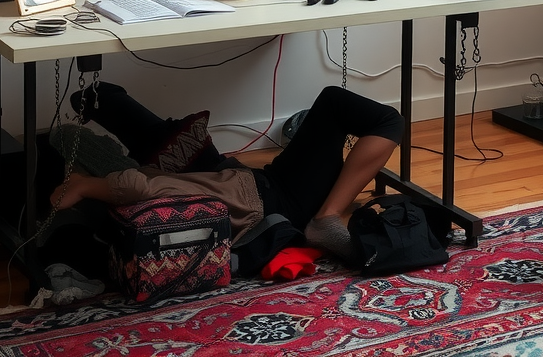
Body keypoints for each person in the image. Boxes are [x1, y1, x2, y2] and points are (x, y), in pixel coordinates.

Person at [49, 83, 404, 267]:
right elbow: (139, 186)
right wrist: (84, 186)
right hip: (267, 194)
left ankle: (100, 98)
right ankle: (327, 217)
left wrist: (84, 186)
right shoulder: (155, 197)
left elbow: (142, 182)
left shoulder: (179, 196)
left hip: (249, 184)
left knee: (168, 142)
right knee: (377, 116)